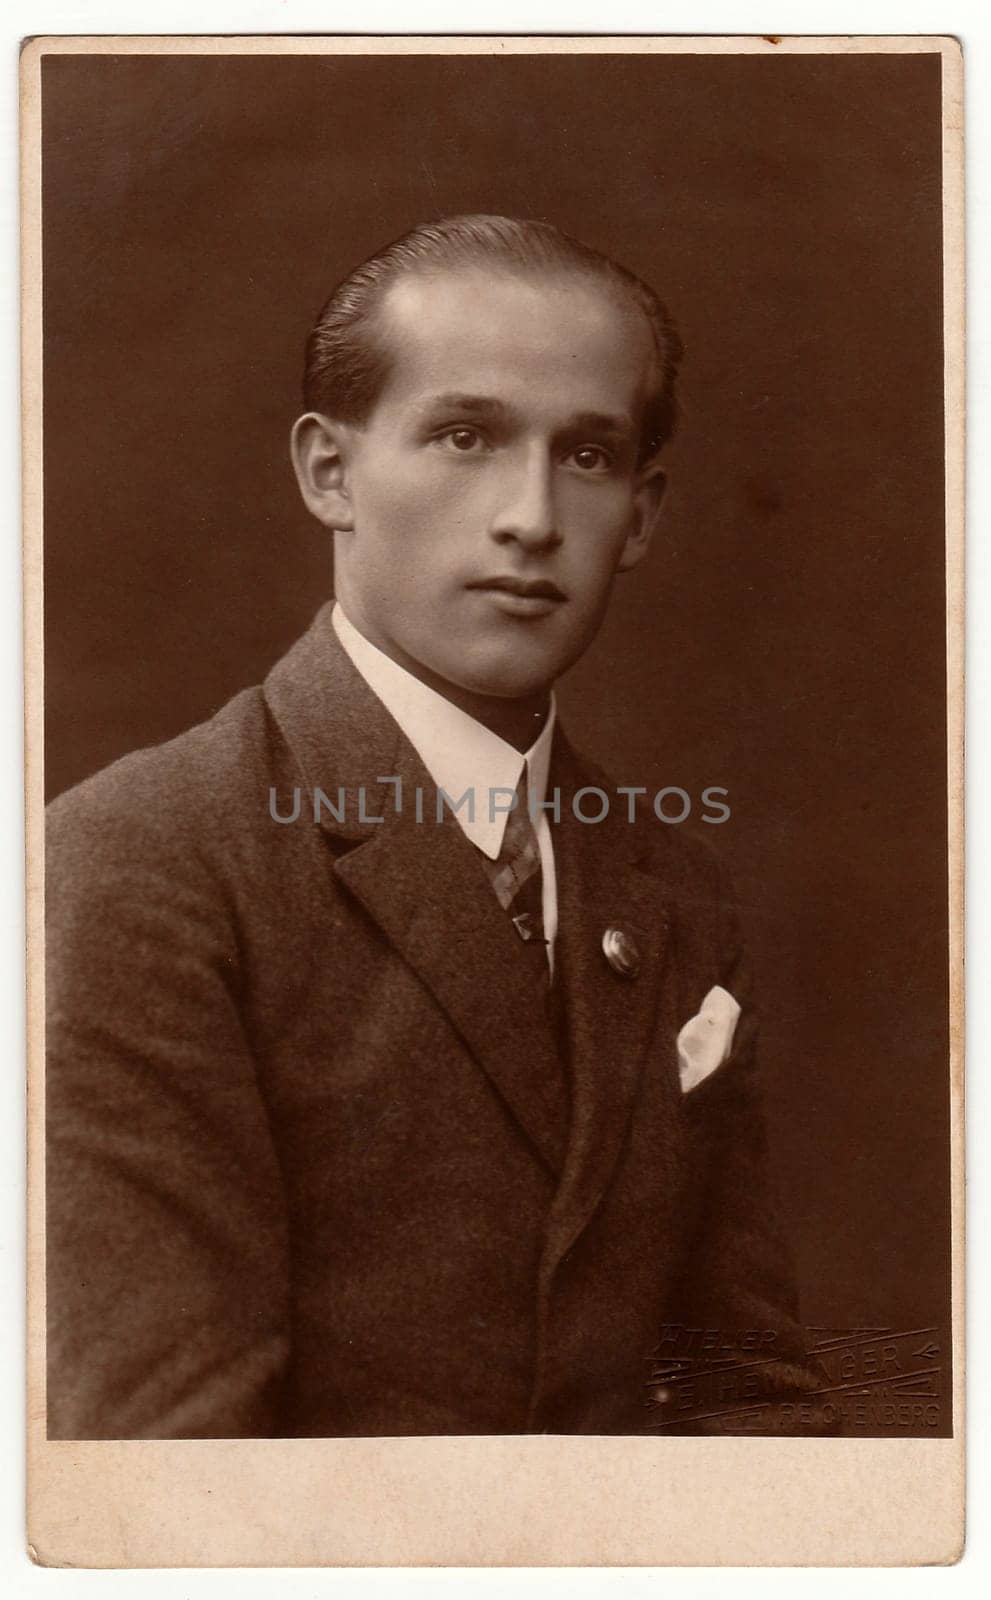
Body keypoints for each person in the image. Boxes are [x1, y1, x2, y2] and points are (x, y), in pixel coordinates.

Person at [45, 214, 824, 1438]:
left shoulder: (667, 883)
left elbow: (754, 1403)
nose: (528, 514)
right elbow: (168, 1484)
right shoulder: (143, 859)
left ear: (644, 514)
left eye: (587, 455)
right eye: (466, 435)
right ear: (329, 472)